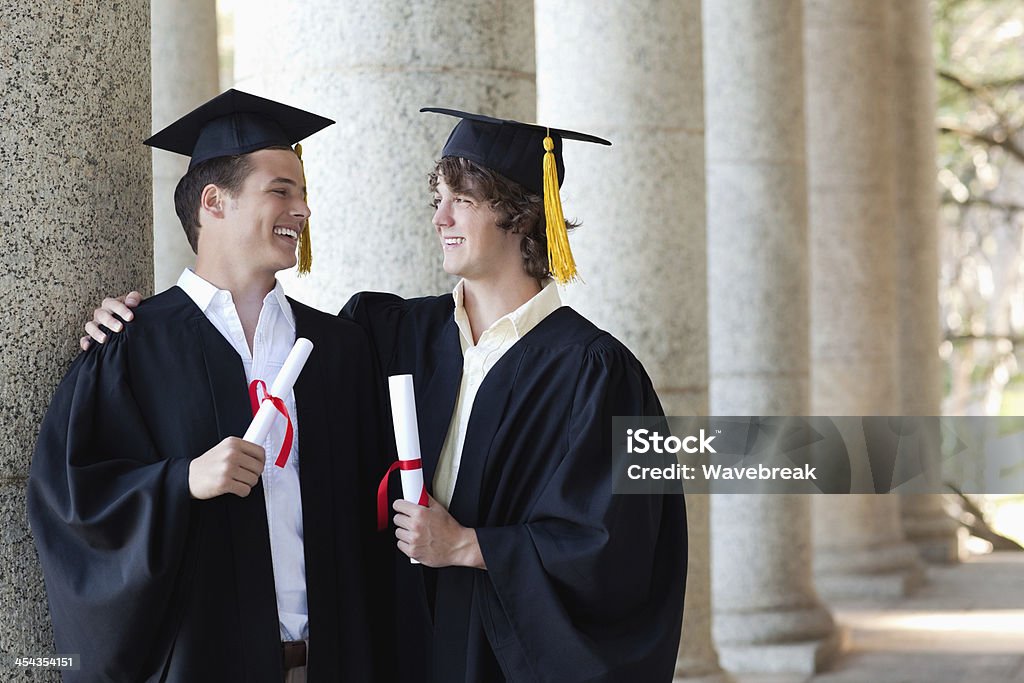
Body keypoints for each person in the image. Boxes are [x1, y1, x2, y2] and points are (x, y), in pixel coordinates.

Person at [82, 108, 687, 682]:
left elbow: (628, 542)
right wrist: (131, 322)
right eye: (437, 200)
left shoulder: (600, 370)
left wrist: (473, 547)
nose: (440, 218)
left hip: (504, 649)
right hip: (396, 640)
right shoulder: (389, 335)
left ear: (524, 215)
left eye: (463, 201)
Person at [31, 89, 392, 682]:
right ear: (213, 202)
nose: (302, 210)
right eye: (281, 190)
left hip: (333, 664)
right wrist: (181, 481)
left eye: (303, 194)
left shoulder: (341, 349)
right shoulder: (131, 347)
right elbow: (71, 505)